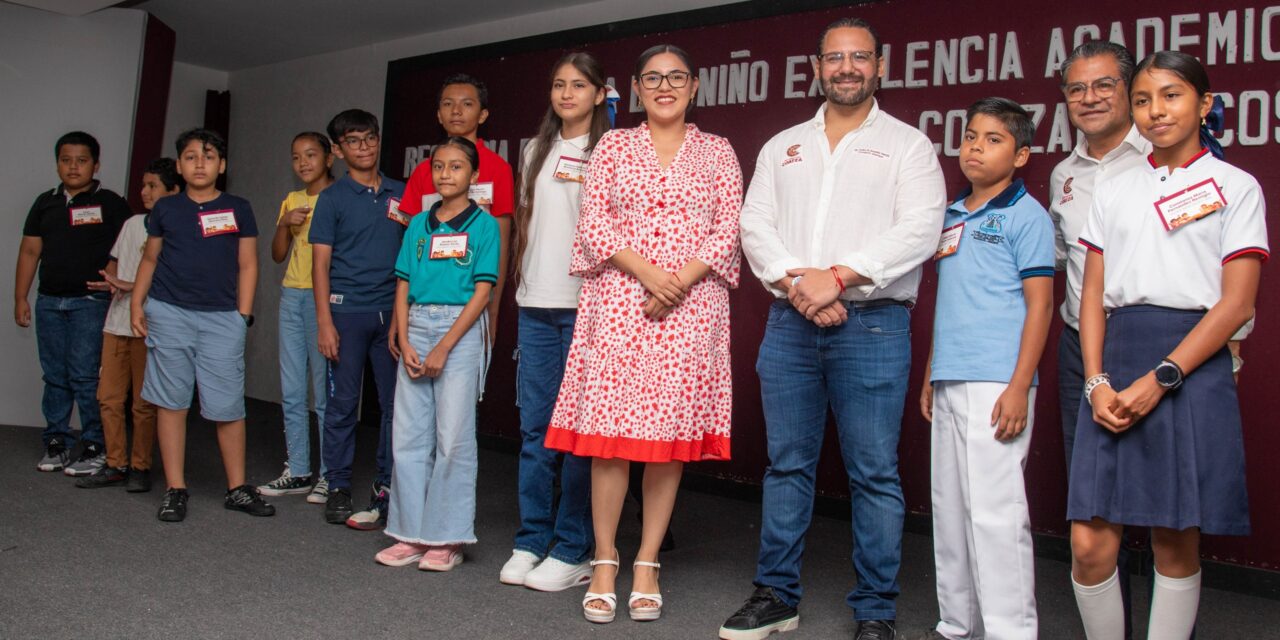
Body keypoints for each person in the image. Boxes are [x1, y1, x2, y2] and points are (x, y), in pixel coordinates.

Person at [725, 18, 946, 640]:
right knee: (786, 464)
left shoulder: (909, 146)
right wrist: (804, 287)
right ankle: (776, 596)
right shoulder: (782, 145)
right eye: (834, 58)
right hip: (790, 323)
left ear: (879, 65)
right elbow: (755, 226)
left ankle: (875, 610)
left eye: (859, 57)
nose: (846, 68)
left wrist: (840, 277)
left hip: (873, 328)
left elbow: (920, 230)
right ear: (816, 67)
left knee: (874, 471)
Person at [1069, 51, 1267, 640]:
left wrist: (1162, 379)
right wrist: (1095, 380)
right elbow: (1093, 292)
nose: (1156, 111)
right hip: (1113, 359)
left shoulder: (1237, 186)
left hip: (1190, 362)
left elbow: (1237, 304)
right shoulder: (1114, 189)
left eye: (1172, 95)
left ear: (1205, 104)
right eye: (1143, 99)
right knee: (1088, 544)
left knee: (1174, 538)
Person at [544, 44, 742, 625]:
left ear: (695, 85)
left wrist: (677, 282)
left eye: (676, 77)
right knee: (610, 438)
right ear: (633, 87)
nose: (664, 86)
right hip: (619, 304)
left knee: (664, 443)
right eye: (652, 78)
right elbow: (595, 221)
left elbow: (727, 228)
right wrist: (650, 274)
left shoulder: (719, 151)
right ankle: (605, 559)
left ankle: (648, 560)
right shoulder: (613, 145)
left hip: (690, 312)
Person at [917, 99, 1054, 640]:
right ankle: (956, 624)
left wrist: (1020, 386)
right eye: (970, 136)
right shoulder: (949, 215)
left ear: (1021, 154)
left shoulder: (1027, 215)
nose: (975, 147)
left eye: (993, 139)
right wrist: (931, 370)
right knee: (950, 509)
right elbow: (949, 302)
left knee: (995, 514)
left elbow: (1040, 305)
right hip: (951, 375)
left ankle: (1010, 631)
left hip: (999, 380)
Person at [499, 52, 610, 592]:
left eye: (579, 85)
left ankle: (573, 548)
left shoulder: (613, 149)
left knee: (580, 436)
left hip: (588, 306)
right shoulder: (532, 151)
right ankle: (531, 539)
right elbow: (526, 224)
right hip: (536, 304)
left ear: (600, 93)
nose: (567, 94)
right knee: (535, 431)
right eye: (559, 85)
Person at [130, 128, 274, 522]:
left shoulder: (239, 207)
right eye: (191, 157)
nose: (199, 164)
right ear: (179, 165)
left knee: (227, 406)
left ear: (221, 165)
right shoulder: (166, 208)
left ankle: (237, 489)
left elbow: (249, 263)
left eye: (208, 157)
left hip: (222, 317)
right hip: (169, 313)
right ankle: (175, 489)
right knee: (172, 403)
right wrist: (137, 305)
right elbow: (149, 259)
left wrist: (242, 315)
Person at [374, 137, 500, 571]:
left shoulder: (483, 226)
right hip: (417, 324)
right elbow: (403, 282)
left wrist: (445, 346)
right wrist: (406, 339)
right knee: (408, 436)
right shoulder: (417, 226)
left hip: (459, 331)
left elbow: (483, 291)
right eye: (439, 167)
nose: (446, 174)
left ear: (474, 175)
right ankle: (409, 532)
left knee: (453, 437)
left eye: (457, 167)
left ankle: (446, 538)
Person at [309, 109, 404, 530]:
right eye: (353, 141)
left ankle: (384, 486)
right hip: (346, 313)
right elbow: (319, 266)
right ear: (338, 149)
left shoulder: (401, 193)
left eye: (369, 139)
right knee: (343, 405)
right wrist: (324, 322)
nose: (363, 148)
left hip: (392, 316)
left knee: (394, 407)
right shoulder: (331, 198)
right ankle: (338, 486)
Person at [16, 131, 131, 476]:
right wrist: (20, 296)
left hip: (90, 302)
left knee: (84, 375)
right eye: (66, 160)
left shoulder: (110, 202)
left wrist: (116, 282)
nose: (73, 167)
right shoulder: (44, 203)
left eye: (81, 160)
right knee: (55, 375)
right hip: (49, 301)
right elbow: (30, 250)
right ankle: (57, 442)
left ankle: (95, 443)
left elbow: (131, 246)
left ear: (96, 165)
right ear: (57, 164)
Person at [75, 158, 182, 492]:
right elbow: (115, 267)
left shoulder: (179, 229)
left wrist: (132, 286)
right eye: (143, 185)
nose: (144, 192)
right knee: (107, 397)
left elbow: (173, 279)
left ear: (174, 191)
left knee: (143, 402)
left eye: (153, 186)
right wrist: (109, 281)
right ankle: (115, 463)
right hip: (117, 321)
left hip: (151, 324)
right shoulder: (134, 223)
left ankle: (140, 466)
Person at [401, 73, 516, 340]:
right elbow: (408, 249)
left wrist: (493, 309)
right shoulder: (422, 171)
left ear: (483, 114)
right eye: (447, 104)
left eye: (466, 104)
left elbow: (501, 241)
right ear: (439, 115)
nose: (456, 111)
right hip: (423, 303)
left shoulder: (497, 168)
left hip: (472, 298)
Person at [258, 131, 335, 504]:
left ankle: (329, 474)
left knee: (324, 391)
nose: (303, 163)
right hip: (292, 296)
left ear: (329, 158)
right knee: (291, 389)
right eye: (296, 157)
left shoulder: (338, 196)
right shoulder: (291, 199)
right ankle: (299, 469)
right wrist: (285, 223)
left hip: (325, 300)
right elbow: (276, 254)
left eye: (311, 155)